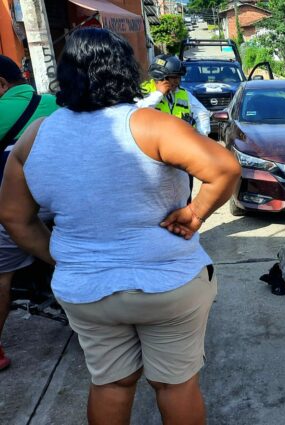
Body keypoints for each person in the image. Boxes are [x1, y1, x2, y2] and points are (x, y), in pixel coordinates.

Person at [0, 28, 240, 423]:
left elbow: (13, 217)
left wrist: (64, 258)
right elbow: (225, 167)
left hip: (86, 291)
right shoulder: (150, 124)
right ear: (126, 70)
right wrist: (195, 214)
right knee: (175, 385)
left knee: (111, 383)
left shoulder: (36, 136)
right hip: (167, 283)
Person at [0, 54, 59, 371]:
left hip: (22, 208)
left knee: (0, 273)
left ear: (1, 84)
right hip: (62, 201)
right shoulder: (53, 103)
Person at [137, 54, 211, 137]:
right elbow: (136, 112)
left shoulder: (183, 93)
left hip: (179, 145)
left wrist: (201, 136)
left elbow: (202, 113)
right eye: (173, 77)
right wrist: (159, 94)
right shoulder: (143, 91)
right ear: (159, 76)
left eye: (179, 78)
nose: (177, 82)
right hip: (153, 145)